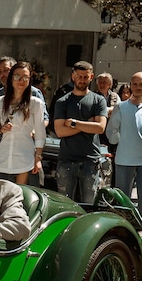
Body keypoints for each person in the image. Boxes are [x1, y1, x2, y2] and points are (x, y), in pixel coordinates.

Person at [107, 72, 142, 229]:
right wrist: (120, 141)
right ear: (130, 85)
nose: (138, 88)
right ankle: (123, 224)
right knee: (122, 196)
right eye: (135, 84)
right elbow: (111, 131)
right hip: (124, 159)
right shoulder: (120, 107)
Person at [53, 61, 108, 202]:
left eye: (85, 77)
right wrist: (88, 124)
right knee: (65, 204)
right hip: (66, 159)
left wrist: (73, 123)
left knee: (89, 204)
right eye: (79, 76)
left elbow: (100, 128)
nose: (82, 80)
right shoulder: (62, 102)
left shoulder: (99, 100)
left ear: (91, 77)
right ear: (73, 76)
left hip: (91, 160)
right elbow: (60, 131)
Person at [0, 61, 45, 184]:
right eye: (17, 76)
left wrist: (38, 157)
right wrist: (0, 129)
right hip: (3, 157)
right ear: (11, 78)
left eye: (25, 77)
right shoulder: (0, 101)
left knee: (22, 197)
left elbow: (40, 133)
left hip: (25, 158)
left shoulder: (35, 103)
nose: (21, 80)